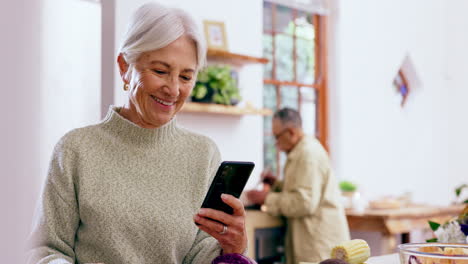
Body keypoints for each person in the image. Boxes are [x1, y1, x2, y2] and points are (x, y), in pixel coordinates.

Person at [27, 2, 248, 263]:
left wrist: (232, 249)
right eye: (160, 71)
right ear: (124, 66)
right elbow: (46, 251)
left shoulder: (204, 153)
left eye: (186, 77)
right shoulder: (75, 149)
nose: (173, 89)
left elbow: (202, 254)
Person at [247, 108, 350, 264]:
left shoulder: (308, 154)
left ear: (291, 132)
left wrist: (266, 198)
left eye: (277, 136)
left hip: (319, 242)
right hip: (311, 238)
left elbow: (304, 203)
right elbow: (300, 189)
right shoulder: (300, 151)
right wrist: (276, 184)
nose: (276, 143)